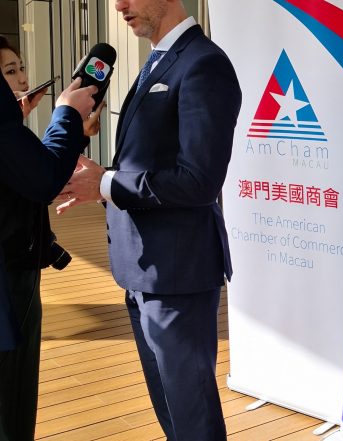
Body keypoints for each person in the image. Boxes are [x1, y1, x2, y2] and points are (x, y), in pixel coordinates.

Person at [56, 1, 242, 439]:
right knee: (172, 414)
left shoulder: (204, 64)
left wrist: (106, 183)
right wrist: (99, 181)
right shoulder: (158, 60)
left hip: (177, 278)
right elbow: (148, 162)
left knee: (192, 417)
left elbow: (199, 181)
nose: (119, 5)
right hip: (142, 272)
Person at [0, 71, 97, 440]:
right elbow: (40, 178)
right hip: (10, 271)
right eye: (8, 72)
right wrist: (66, 115)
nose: (21, 79)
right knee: (11, 400)